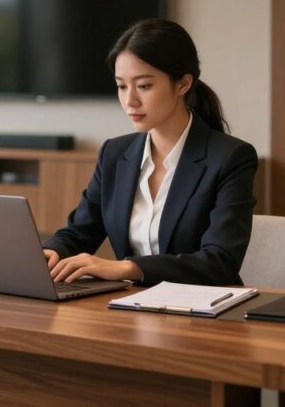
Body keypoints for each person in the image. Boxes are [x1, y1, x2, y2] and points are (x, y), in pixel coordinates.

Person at [42, 19, 257, 287]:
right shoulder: (114, 153)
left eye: (143, 86)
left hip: (204, 313)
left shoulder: (231, 157)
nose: (130, 100)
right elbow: (78, 233)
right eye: (122, 86)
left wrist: (127, 268)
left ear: (182, 84)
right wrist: (52, 252)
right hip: (131, 308)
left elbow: (219, 262)